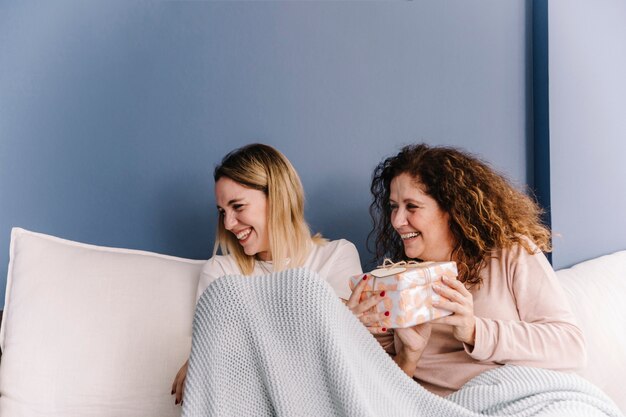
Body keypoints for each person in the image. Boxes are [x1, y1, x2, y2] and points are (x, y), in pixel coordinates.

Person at [347, 143, 586, 396]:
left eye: (412, 207)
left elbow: (571, 347)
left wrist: (474, 331)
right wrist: (405, 353)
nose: (397, 220)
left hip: (522, 394)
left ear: (451, 209)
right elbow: (381, 398)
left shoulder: (510, 253)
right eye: (394, 206)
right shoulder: (390, 286)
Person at [171, 143, 362, 404]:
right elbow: (219, 361)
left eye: (237, 207)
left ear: (278, 198)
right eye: (222, 212)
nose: (228, 223)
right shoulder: (220, 271)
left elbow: (336, 352)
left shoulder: (337, 255)